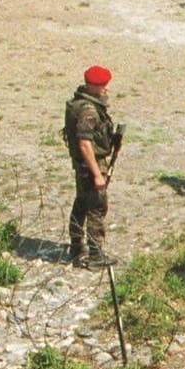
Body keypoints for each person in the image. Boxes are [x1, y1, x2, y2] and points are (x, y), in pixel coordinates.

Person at [64, 64, 121, 269]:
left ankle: (76, 246)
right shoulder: (88, 110)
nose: (106, 89)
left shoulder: (79, 103)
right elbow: (85, 143)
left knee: (81, 203)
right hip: (91, 165)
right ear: (94, 87)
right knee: (96, 206)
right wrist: (97, 174)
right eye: (103, 85)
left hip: (82, 165)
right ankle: (96, 254)